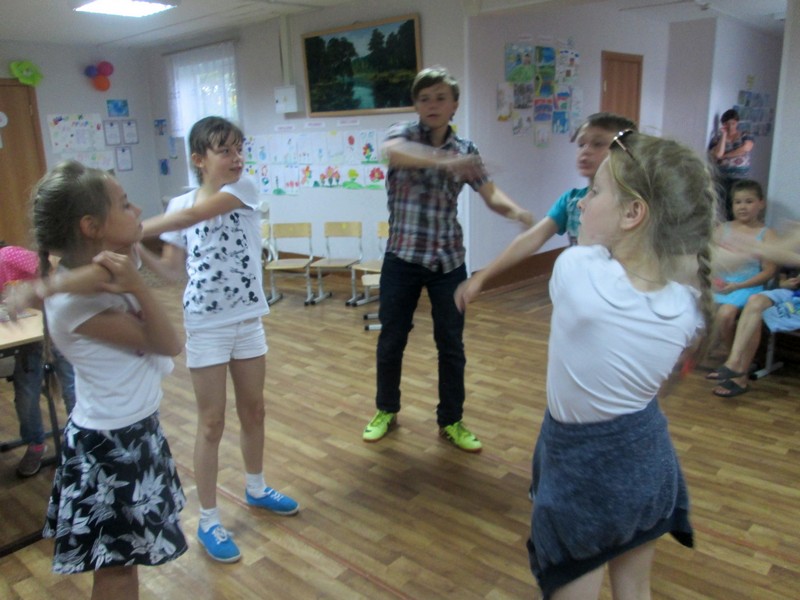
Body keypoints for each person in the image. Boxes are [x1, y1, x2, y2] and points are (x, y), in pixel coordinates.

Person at [457, 130, 716, 599]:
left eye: (595, 192)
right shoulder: (687, 304)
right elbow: (671, 264)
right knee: (635, 589)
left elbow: (589, 250)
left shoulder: (577, 270)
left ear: (634, 213)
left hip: (585, 472)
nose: (582, 202)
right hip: (647, 459)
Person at [137, 115, 298, 564]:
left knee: (254, 410)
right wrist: (136, 249)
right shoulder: (178, 203)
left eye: (239, 148)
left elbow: (195, 215)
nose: (237, 157)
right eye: (225, 150)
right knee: (211, 423)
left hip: (247, 319)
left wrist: (133, 229)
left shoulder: (242, 189)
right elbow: (172, 270)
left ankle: (256, 487)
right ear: (198, 159)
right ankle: (208, 519)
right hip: (206, 324)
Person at [25, 161, 187, 600]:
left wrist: (46, 287)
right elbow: (169, 342)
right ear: (91, 227)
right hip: (111, 446)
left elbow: (98, 270)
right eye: (125, 204)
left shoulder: (101, 267)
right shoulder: (76, 307)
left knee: (125, 566)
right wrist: (139, 286)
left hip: (132, 431)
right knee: (116, 573)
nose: (137, 209)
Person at [361, 66, 534, 452]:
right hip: (402, 257)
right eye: (424, 98)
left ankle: (451, 420)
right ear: (416, 104)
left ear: (454, 104)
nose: (432, 104)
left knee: (451, 345)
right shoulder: (403, 134)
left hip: (448, 262)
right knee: (391, 340)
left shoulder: (466, 150)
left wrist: (517, 212)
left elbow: (491, 194)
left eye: (441, 98)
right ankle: (386, 410)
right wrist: (444, 162)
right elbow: (392, 153)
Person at [450, 112, 636, 300]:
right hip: (579, 297)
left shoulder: (634, 207)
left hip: (620, 299)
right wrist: (481, 277)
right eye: (581, 144)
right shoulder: (571, 201)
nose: (585, 151)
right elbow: (532, 238)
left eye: (598, 144)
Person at [0, 242, 76, 477]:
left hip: (57, 328)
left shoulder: (8, 256)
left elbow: (52, 268)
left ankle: (79, 442)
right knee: (26, 395)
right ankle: (36, 444)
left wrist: (31, 295)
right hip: (30, 340)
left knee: (72, 389)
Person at [706, 180, 777, 369]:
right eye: (738, 202)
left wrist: (738, 286)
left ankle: (734, 360)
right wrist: (713, 279)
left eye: (748, 201)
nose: (742, 207)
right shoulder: (722, 229)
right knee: (694, 306)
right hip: (721, 284)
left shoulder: (767, 234)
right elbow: (709, 260)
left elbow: (769, 271)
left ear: (761, 203)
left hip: (748, 286)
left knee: (726, 313)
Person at [711, 268, 800, 398]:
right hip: (791, 292)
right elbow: (783, 270)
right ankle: (734, 362)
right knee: (755, 301)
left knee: (754, 313)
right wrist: (782, 282)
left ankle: (739, 376)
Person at [708, 108, 755, 220]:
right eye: (727, 124)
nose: (730, 126)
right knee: (723, 204)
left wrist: (726, 156)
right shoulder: (717, 138)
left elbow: (746, 148)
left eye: (733, 123)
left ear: (737, 122)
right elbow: (718, 154)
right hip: (722, 176)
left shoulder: (745, 135)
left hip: (740, 177)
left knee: (736, 203)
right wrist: (723, 136)